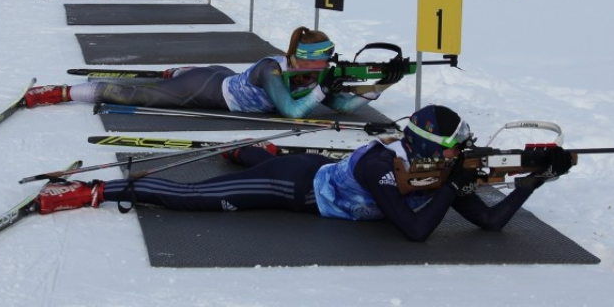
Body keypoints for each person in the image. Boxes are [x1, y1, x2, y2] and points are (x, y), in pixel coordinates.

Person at [33, 105, 574, 242]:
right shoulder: (382, 162)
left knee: (265, 158)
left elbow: (490, 223)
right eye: (446, 155)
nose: (452, 163)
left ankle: (254, 151)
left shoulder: (435, 170)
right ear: (420, 146)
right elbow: (414, 231)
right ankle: (96, 189)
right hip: (293, 187)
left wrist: (531, 181)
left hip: (317, 170)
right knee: (193, 196)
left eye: (457, 155)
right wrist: (455, 184)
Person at [22, 26, 383, 119]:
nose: (329, 65)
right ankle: (62, 91)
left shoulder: (312, 75)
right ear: (304, 59)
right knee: (140, 95)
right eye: (325, 60)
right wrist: (322, 91)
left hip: (221, 74)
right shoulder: (272, 70)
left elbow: (344, 107)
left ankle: (179, 71)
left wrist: (382, 84)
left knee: (197, 74)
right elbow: (292, 112)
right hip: (209, 90)